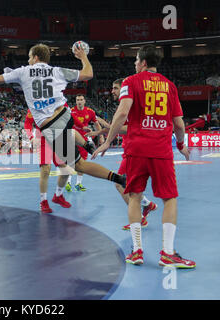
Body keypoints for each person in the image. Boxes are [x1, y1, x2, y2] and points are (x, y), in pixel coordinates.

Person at [0, 43, 126, 190]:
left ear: (35, 57)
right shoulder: (57, 71)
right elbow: (88, 74)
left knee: (79, 166)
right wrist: (83, 56)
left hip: (51, 126)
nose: (28, 61)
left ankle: (118, 179)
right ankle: (88, 145)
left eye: (29, 57)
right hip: (65, 114)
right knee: (68, 132)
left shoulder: (23, 71)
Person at [92, 45, 195, 269]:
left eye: (136, 60)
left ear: (143, 63)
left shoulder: (130, 81)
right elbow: (179, 123)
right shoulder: (170, 86)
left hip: (136, 149)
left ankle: (137, 251)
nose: (135, 64)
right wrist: (180, 144)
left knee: (135, 196)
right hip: (161, 151)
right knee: (169, 198)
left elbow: (122, 113)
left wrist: (107, 142)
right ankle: (168, 253)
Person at [87, 78, 158, 230]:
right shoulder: (124, 105)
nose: (112, 91)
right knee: (126, 185)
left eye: (115, 88)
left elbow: (130, 129)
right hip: (129, 151)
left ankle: (139, 219)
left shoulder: (129, 105)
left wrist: (108, 126)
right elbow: (116, 128)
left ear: (123, 89)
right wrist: (100, 131)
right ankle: (147, 205)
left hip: (135, 151)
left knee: (121, 184)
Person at [24, 108, 71, 213]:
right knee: (45, 169)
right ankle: (43, 201)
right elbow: (27, 123)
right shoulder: (34, 105)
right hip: (42, 137)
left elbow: (68, 117)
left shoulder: (58, 100)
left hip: (58, 136)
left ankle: (58, 196)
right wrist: (31, 138)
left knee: (66, 170)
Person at [66, 94, 105, 192]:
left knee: (82, 161)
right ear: (75, 101)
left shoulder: (90, 112)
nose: (79, 101)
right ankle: (68, 183)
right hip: (72, 137)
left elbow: (96, 124)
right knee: (70, 160)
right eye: (77, 100)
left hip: (84, 139)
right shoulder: (71, 111)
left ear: (84, 101)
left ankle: (78, 184)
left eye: (81, 99)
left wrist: (100, 136)